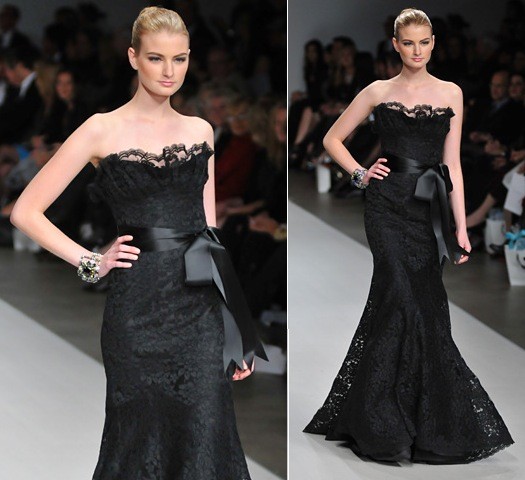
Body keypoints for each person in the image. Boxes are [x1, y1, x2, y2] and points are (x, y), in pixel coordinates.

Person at [10, 6, 266, 479]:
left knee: (204, 436)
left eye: (180, 59)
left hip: (199, 317)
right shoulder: (100, 129)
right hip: (136, 312)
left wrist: (237, 329)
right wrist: (90, 260)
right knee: (138, 442)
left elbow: (210, 235)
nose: (169, 71)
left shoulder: (200, 130)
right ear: (133, 57)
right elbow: (26, 211)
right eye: (156, 58)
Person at [303, 8, 514, 463]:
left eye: (424, 42)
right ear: (396, 45)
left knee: (424, 307)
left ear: (433, 43)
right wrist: (360, 174)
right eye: (408, 43)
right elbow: (332, 138)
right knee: (399, 294)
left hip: (428, 210)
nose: (417, 51)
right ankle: (385, 425)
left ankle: (422, 420)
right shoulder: (378, 91)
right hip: (386, 206)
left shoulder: (451, 92)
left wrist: (461, 226)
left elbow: (452, 164)